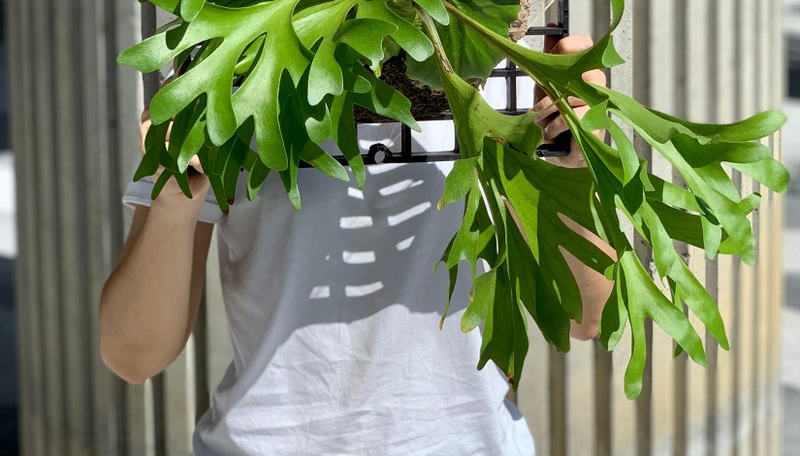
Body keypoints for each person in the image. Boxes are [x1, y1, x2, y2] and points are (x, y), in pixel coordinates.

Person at [99, 34, 614, 456]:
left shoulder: (510, 63)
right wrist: (172, 199)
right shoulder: (232, 62)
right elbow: (133, 354)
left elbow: (587, 316)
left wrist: (581, 159)